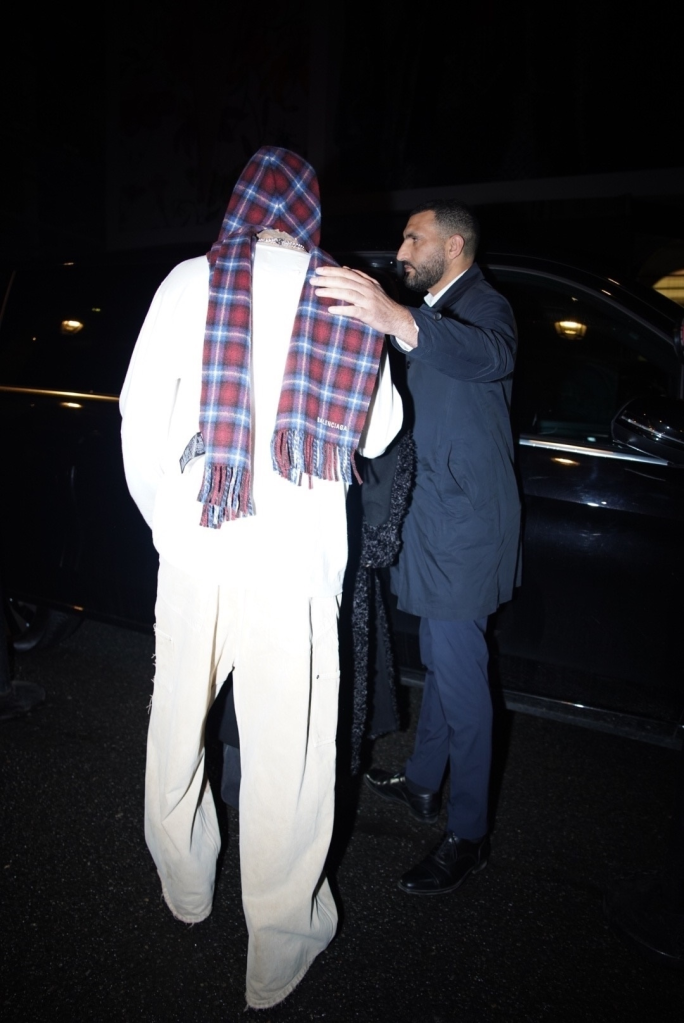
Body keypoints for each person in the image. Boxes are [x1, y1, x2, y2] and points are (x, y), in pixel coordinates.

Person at [119, 147, 401, 1009]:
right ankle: (277, 948)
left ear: (241, 201)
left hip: (202, 543)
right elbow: (382, 432)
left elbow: (139, 412)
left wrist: (169, 520)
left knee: (176, 723)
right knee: (290, 755)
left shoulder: (186, 282)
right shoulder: (343, 291)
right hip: (296, 562)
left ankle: (188, 883)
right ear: (309, 213)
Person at [312, 199, 521, 896]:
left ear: (454, 245)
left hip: (463, 529)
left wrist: (397, 319)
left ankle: (469, 834)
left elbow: (490, 356)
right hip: (434, 522)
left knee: (463, 683)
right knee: (441, 657)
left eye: (414, 235)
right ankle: (426, 782)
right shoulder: (433, 311)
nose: (401, 245)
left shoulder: (483, 307)